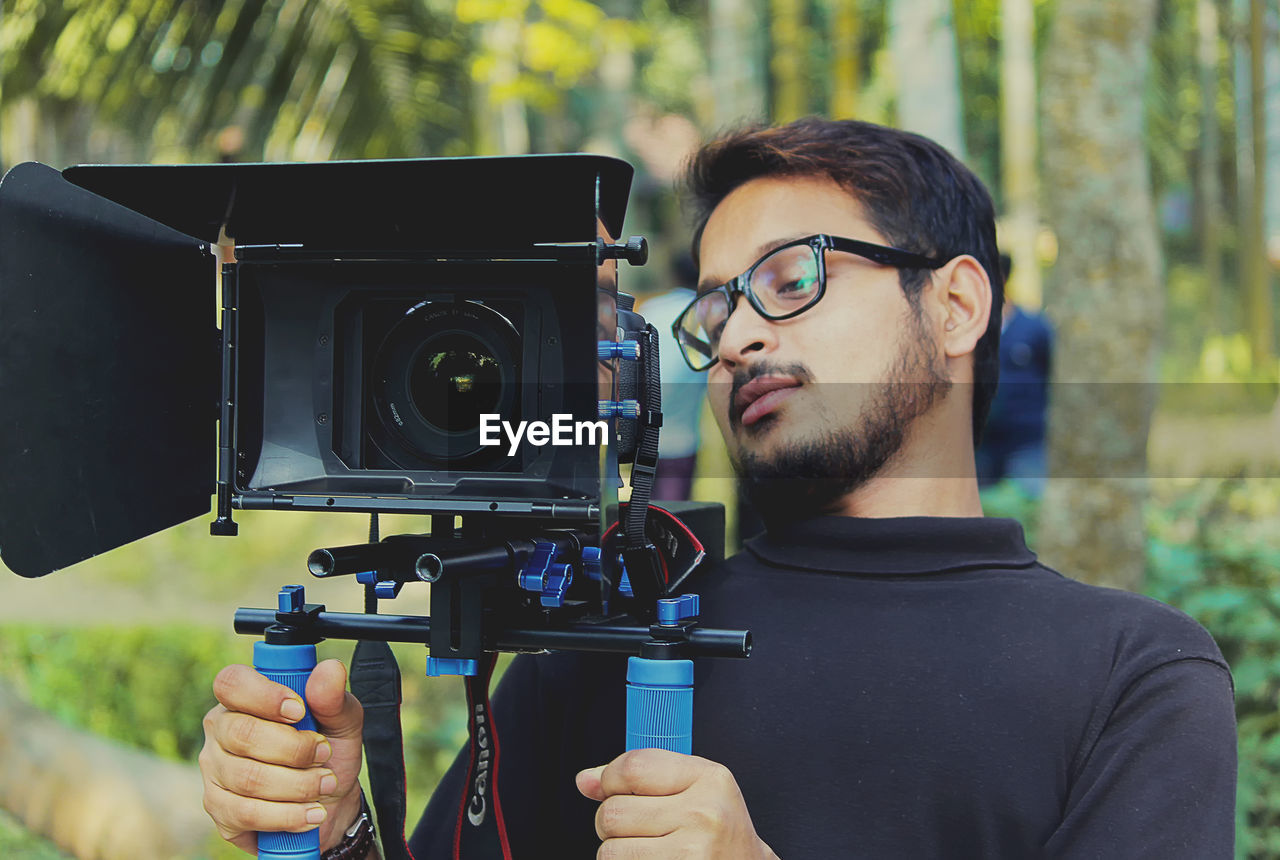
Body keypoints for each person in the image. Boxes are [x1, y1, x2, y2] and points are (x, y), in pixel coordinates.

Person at [198, 118, 1237, 859]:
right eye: (712, 309)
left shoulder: (1135, 674)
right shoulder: (603, 642)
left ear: (957, 303)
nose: (736, 336)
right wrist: (335, 832)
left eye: (791, 279)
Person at [976, 254, 1053, 497]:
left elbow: (1051, 375)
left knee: (1028, 503)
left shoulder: (1034, 328)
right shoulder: (971, 330)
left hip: (1027, 441)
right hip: (981, 443)